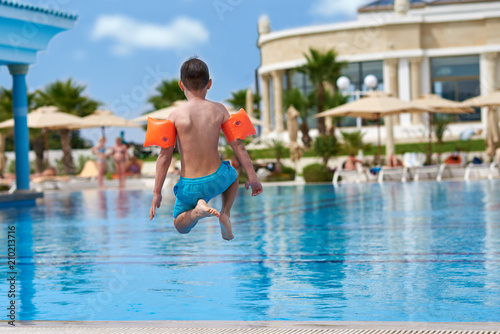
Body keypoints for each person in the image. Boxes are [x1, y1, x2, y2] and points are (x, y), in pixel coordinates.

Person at [149, 57, 263, 241]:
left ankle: (196, 212)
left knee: (180, 225)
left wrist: (157, 193)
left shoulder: (175, 116)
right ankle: (225, 213)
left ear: (180, 85)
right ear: (209, 84)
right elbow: (238, 145)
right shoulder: (219, 110)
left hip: (190, 186)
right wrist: (253, 177)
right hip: (217, 178)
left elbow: (164, 157)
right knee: (232, 174)